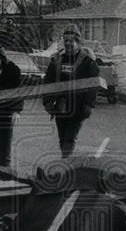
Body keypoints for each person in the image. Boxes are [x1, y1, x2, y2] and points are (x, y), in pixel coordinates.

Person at [42, 22, 100, 158]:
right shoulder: (57, 60)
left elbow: (93, 85)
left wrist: (89, 105)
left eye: (71, 41)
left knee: (69, 138)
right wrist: (48, 101)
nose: (68, 44)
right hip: (61, 106)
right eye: (65, 41)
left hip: (78, 107)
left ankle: (65, 165)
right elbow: (48, 81)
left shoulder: (87, 61)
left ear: (78, 42)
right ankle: (66, 162)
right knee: (62, 138)